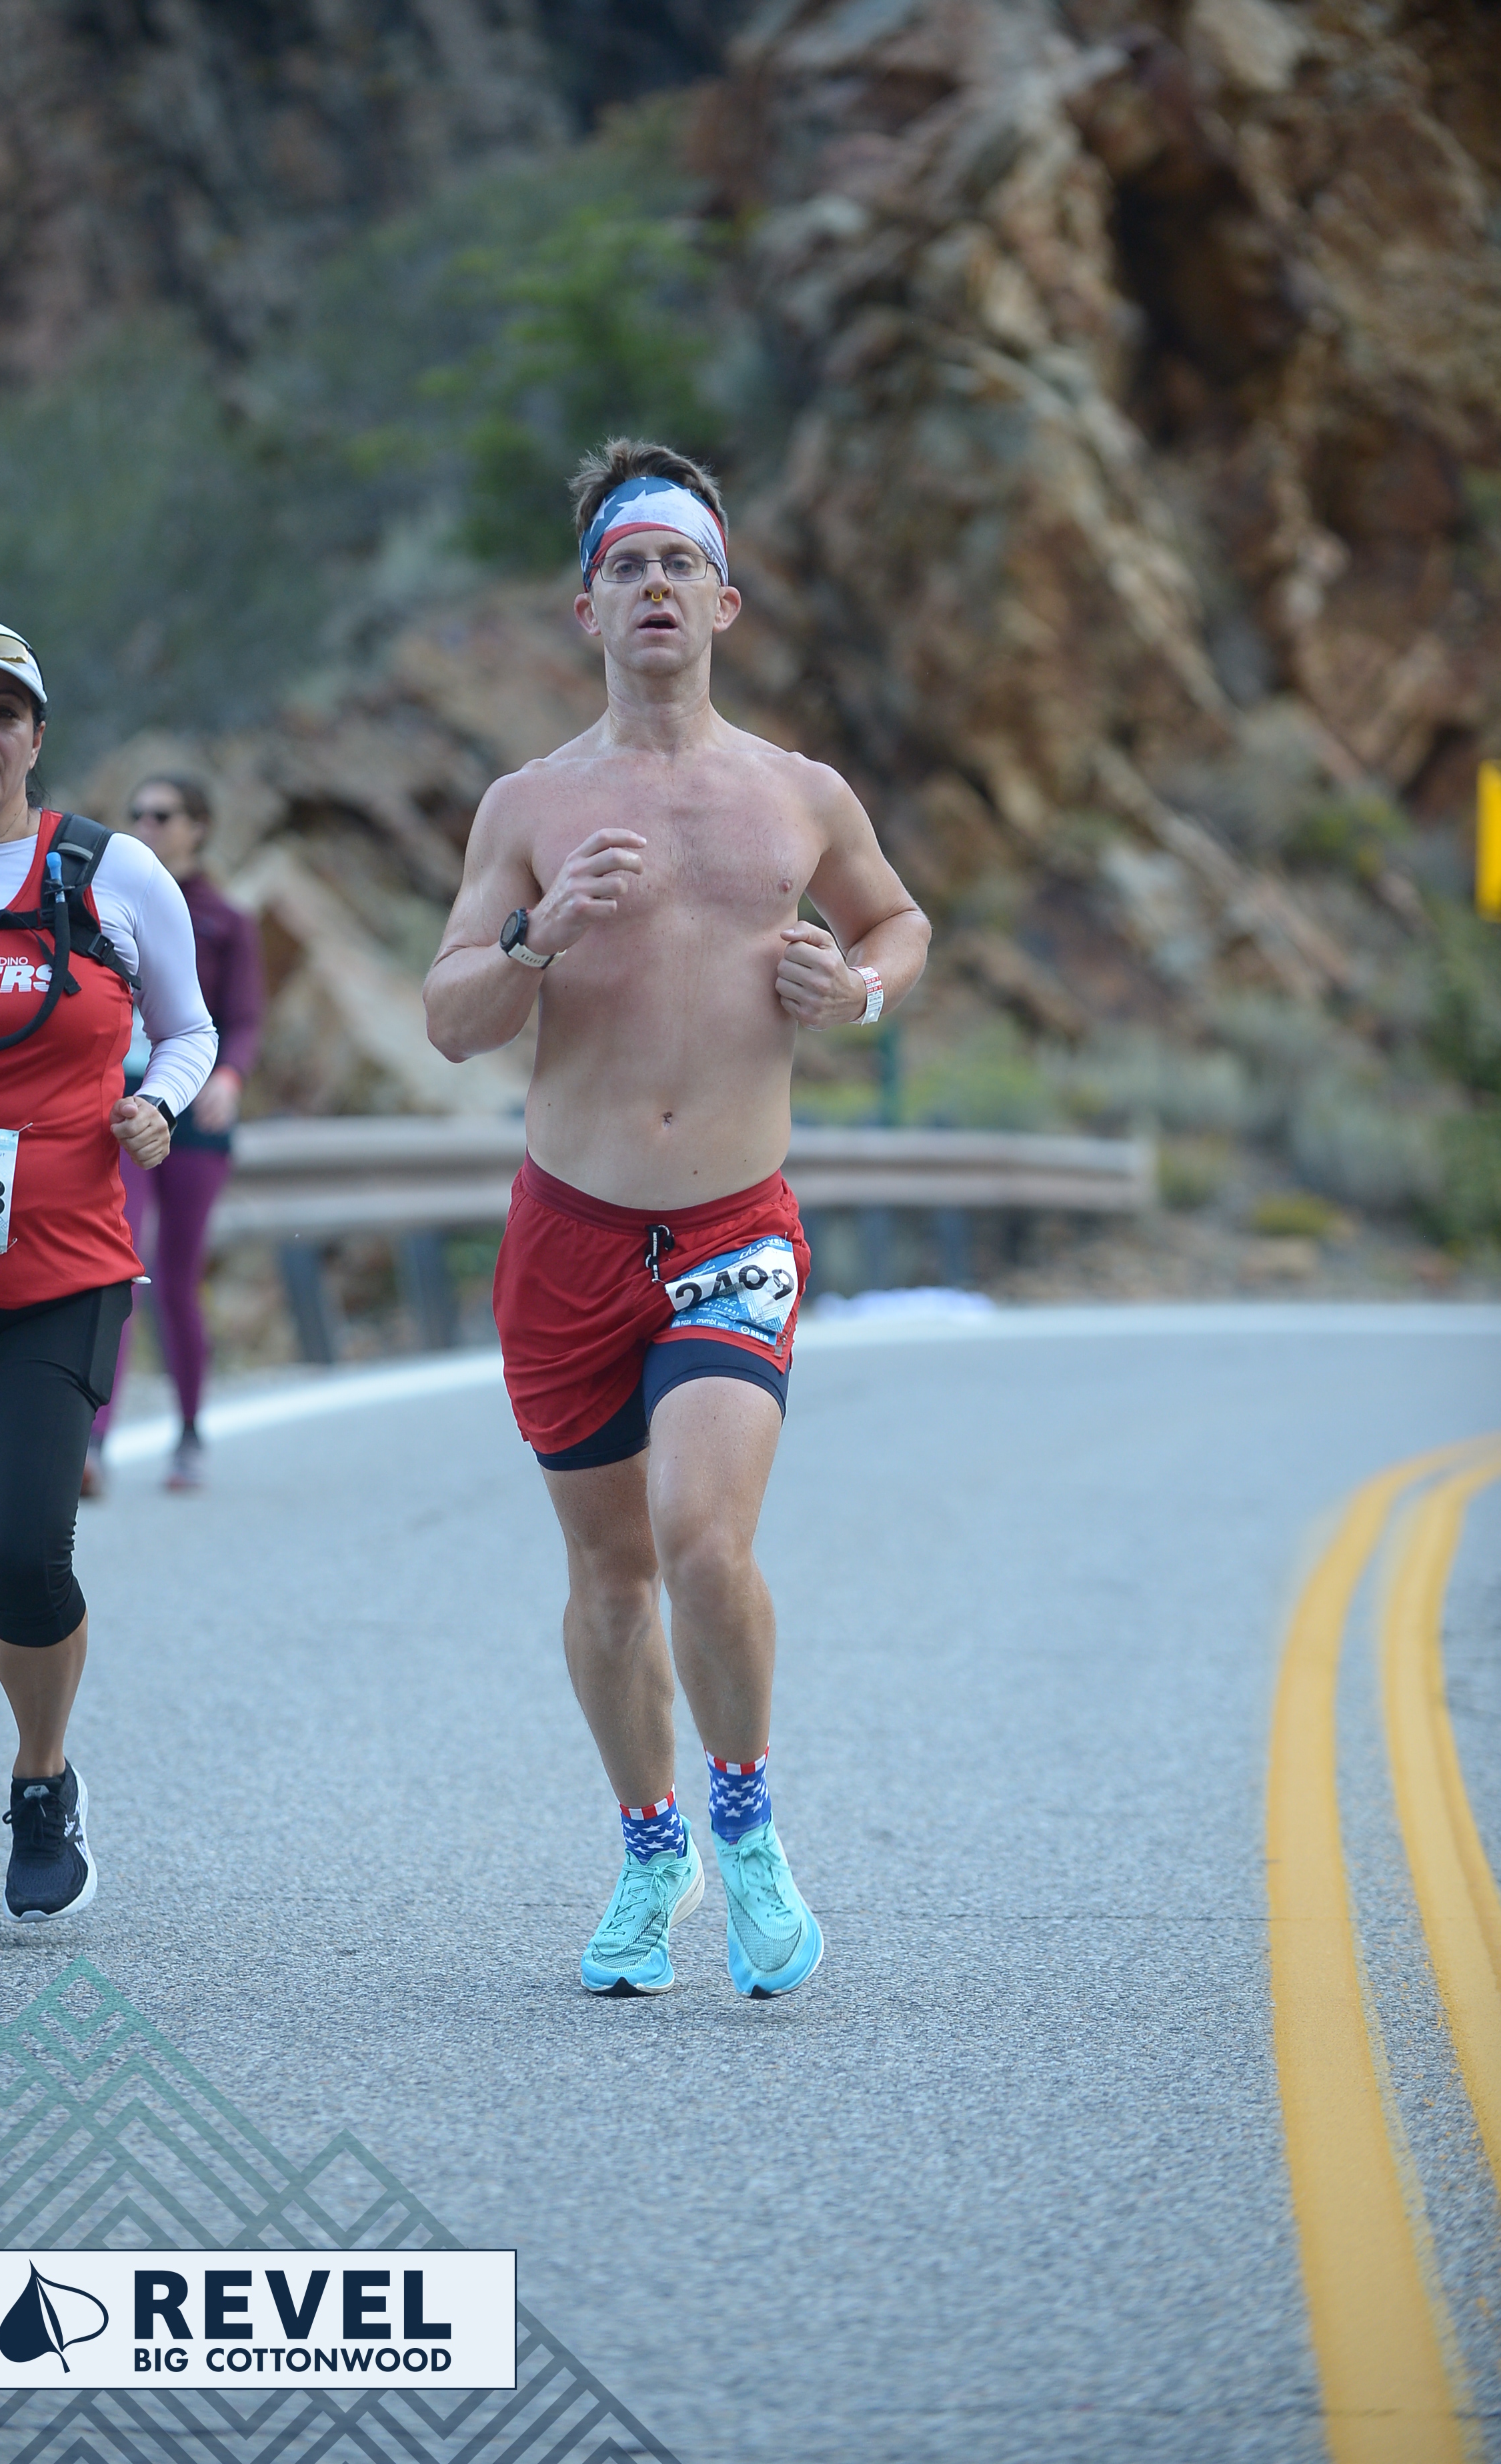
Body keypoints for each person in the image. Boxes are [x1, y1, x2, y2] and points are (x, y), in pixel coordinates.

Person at [424, 441, 930, 1998]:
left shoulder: (799, 795)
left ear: (724, 602)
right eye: (626, 566)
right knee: (610, 1582)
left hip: (729, 1229)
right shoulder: (528, 805)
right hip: (568, 1239)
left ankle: (748, 1835)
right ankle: (653, 1856)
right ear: (588, 610)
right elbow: (451, 1017)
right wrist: (534, 934)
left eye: (679, 564)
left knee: (702, 1542)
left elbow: (897, 922)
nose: (654, 586)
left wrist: (853, 991)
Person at [0, 621, 217, 1948]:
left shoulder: (108, 871)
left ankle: (43, 1781)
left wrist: (158, 1104)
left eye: (2, 713)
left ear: (35, 739)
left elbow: (188, 1028)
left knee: (21, 1549)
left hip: (56, 1276)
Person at [83, 775, 263, 1495]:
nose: (146, 825)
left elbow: (243, 1018)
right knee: (120, 1265)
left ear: (199, 826)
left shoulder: (226, 919)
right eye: (136, 814)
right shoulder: (105, 899)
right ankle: (95, 1443)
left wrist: (230, 1078)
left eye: (162, 815)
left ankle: (188, 1433)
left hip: (196, 1105)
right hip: (124, 1103)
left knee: (177, 1277)